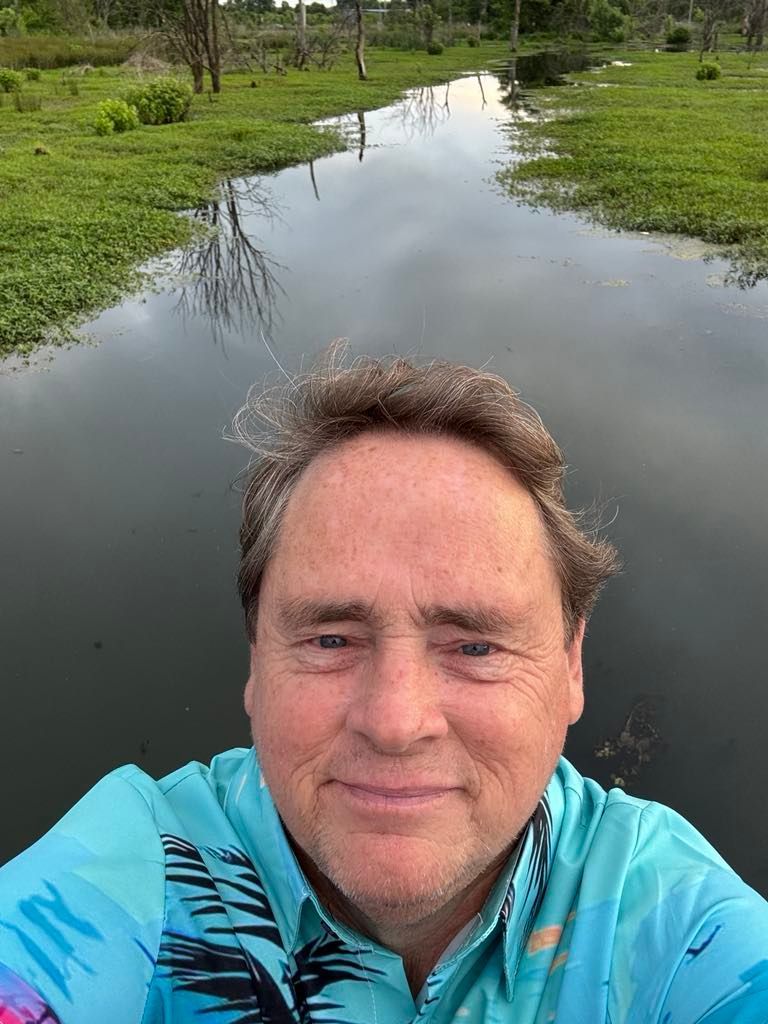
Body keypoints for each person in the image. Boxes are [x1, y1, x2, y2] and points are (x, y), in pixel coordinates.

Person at [1, 350, 766, 1024]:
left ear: (571, 665)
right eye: (331, 639)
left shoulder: (678, 928)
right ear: (256, 660)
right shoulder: (140, 873)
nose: (396, 721)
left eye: (474, 644)